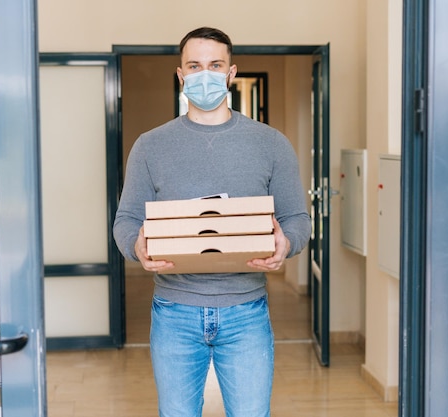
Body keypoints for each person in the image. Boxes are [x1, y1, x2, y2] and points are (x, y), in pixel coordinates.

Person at [113, 26, 312, 417]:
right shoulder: (150, 146)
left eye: (215, 65)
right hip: (173, 312)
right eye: (195, 66)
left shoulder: (270, 143)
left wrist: (285, 243)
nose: (205, 74)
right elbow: (126, 219)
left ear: (231, 73)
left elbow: (297, 218)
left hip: (246, 312)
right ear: (181, 75)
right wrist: (136, 247)